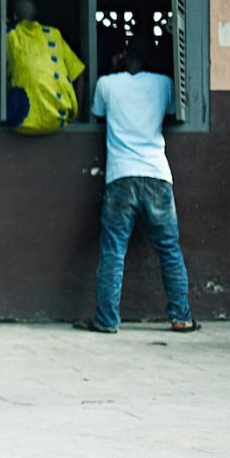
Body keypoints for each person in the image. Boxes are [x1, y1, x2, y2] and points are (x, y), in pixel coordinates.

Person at [75, 35, 198, 334]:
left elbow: (98, 113)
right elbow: (171, 113)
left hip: (121, 175)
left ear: (122, 56)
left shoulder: (107, 84)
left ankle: (106, 320)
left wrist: (113, 68)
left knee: (114, 250)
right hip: (157, 173)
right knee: (169, 248)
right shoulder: (165, 84)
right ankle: (181, 316)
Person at [6, 0, 85, 135]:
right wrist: (77, 116)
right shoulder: (54, 34)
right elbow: (80, 72)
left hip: (21, 120)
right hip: (58, 119)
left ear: (14, 17)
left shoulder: (9, 35)